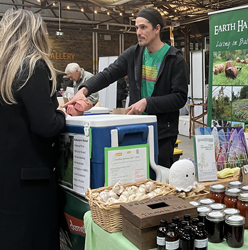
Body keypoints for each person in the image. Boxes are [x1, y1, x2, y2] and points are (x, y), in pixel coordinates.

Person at [65, 7, 188, 168]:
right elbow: (108, 74)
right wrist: (84, 90)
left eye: (143, 27)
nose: (138, 32)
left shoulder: (174, 59)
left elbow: (179, 97)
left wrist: (147, 102)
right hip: (137, 129)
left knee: (160, 183)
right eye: (136, 27)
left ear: (157, 28)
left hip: (163, 134)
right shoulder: (134, 54)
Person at [0, 9, 67, 250]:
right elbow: (46, 126)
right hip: (30, 181)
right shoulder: (32, 66)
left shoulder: (6, 70)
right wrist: (62, 114)